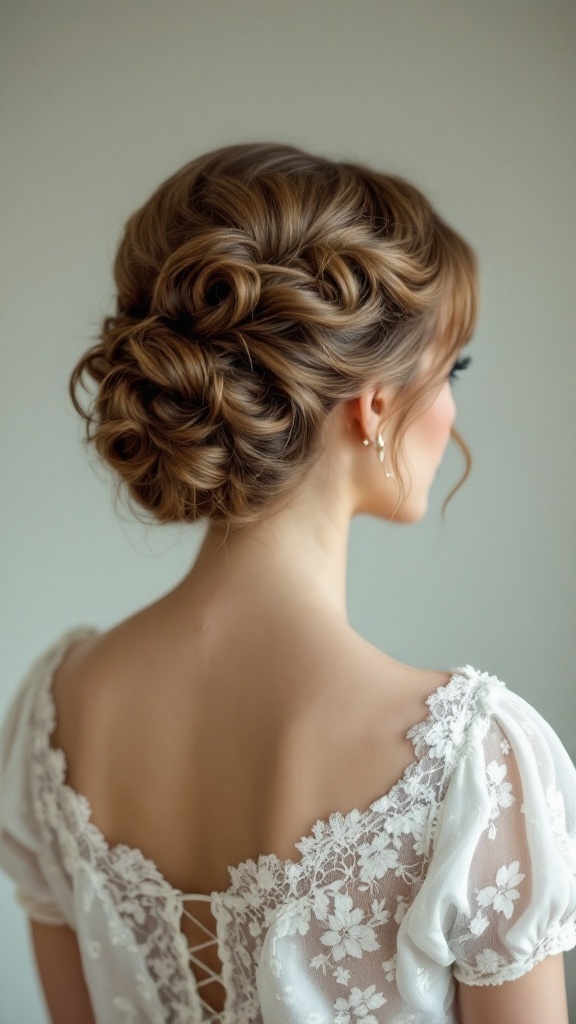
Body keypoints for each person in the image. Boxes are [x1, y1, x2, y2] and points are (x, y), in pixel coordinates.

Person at [0, 142, 575, 1024]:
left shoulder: (54, 713)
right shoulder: (474, 765)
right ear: (376, 404)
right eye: (450, 370)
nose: (454, 419)